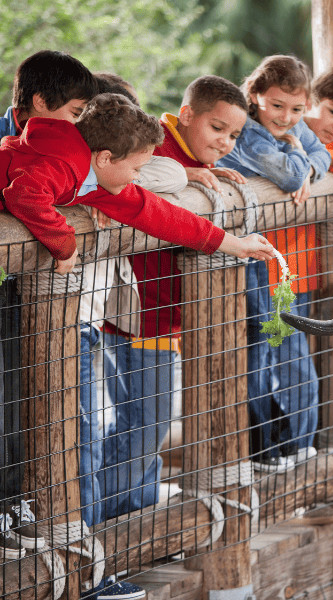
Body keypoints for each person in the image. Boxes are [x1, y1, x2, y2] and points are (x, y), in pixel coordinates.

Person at [0, 94, 275, 598]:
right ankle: (70, 562)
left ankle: (90, 553)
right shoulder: (63, 163)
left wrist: (236, 245)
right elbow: (25, 196)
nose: (138, 178)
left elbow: (164, 218)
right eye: (135, 168)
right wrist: (64, 244)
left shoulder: (98, 180)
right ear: (104, 159)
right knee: (59, 426)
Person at [99, 74, 249, 529]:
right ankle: (113, 521)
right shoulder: (156, 151)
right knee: (148, 421)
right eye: (216, 128)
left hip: (164, 316)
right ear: (186, 115)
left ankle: (135, 512)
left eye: (234, 134)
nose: (225, 142)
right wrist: (187, 176)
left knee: (146, 422)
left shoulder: (186, 156)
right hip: (141, 315)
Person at [0, 49, 97, 563]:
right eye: (77, 111)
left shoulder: (27, 141)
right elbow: (26, 197)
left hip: (11, 287)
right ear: (42, 101)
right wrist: (65, 243)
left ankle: (14, 505)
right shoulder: (48, 147)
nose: (79, 124)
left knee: (15, 398)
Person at [218, 55, 331, 472]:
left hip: (275, 260)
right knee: (261, 352)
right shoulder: (248, 133)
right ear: (255, 97)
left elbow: (324, 156)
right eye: (277, 106)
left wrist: (308, 163)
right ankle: (265, 446)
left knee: (276, 349)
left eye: (298, 109)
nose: (287, 118)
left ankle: (284, 444)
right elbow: (287, 176)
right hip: (245, 258)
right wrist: (301, 158)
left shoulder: (291, 126)